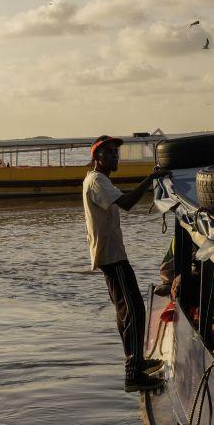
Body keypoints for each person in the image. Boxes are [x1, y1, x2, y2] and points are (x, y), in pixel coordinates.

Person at [83, 135, 171, 392]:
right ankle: (133, 373)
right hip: (111, 256)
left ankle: (138, 363)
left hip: (112, 254)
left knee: (126, 310)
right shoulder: (97, 180)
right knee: (133, 311)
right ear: (97, 158)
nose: (115, 157)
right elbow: (128, 204)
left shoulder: (99, 180)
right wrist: (151, 178)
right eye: (110, 153)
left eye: (116, 153)